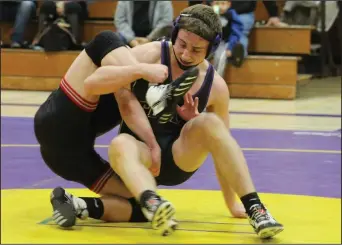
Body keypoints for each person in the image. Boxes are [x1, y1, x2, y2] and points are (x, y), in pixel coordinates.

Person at [49, 4, 284, 239]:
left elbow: (224, 149)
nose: (185, 54)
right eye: (182, 44)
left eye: (196, 50)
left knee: (210, 123)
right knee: (120, 143)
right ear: (174, 35)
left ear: (211, 49)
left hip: (178, 157)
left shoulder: (216, 86)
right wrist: (138, 70)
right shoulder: (149, 54)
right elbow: (94, 81)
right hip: (139, 157)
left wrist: (232, 204)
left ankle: (256, 209)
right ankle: (151, 203)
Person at [34, 30, 198, 235]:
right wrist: (142, 71)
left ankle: (75, 204)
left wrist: (184, 125)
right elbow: (93, 79)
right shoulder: (114, 57)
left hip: (68, 155)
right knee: (107, 40)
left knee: (141, 205)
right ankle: (150, 90)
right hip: (59, 120)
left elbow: (128, 106)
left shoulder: (127, 86)